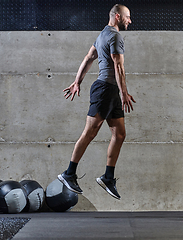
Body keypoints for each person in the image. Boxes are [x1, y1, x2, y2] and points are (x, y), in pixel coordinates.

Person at [58, 4, 135, 200]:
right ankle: (69, 173)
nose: (130, 21)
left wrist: (77, 81)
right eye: (127, 17)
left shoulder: (102, 34)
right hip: (105, 90)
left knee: (119, 134)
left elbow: (88, 57)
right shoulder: (115, 36)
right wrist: (125, 93)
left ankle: (108, 177)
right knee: (90, 132)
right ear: (117, 16)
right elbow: (118, 66)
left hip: (110, 91)